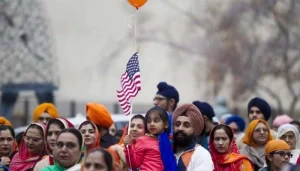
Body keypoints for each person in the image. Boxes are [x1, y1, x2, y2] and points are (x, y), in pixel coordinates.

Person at [124, 107, 177, 171]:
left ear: (166, 124)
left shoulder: (169, 141)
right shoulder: (143, 140)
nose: (151, 124)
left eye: (156, 121)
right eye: (149, 121)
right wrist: (129, 148)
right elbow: (134, 165)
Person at [172, 104, 214, 170]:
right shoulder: (165, 151)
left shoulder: (201, 154)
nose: (180, 128)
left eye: (186, 125)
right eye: (177, 124)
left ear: (195, 129)